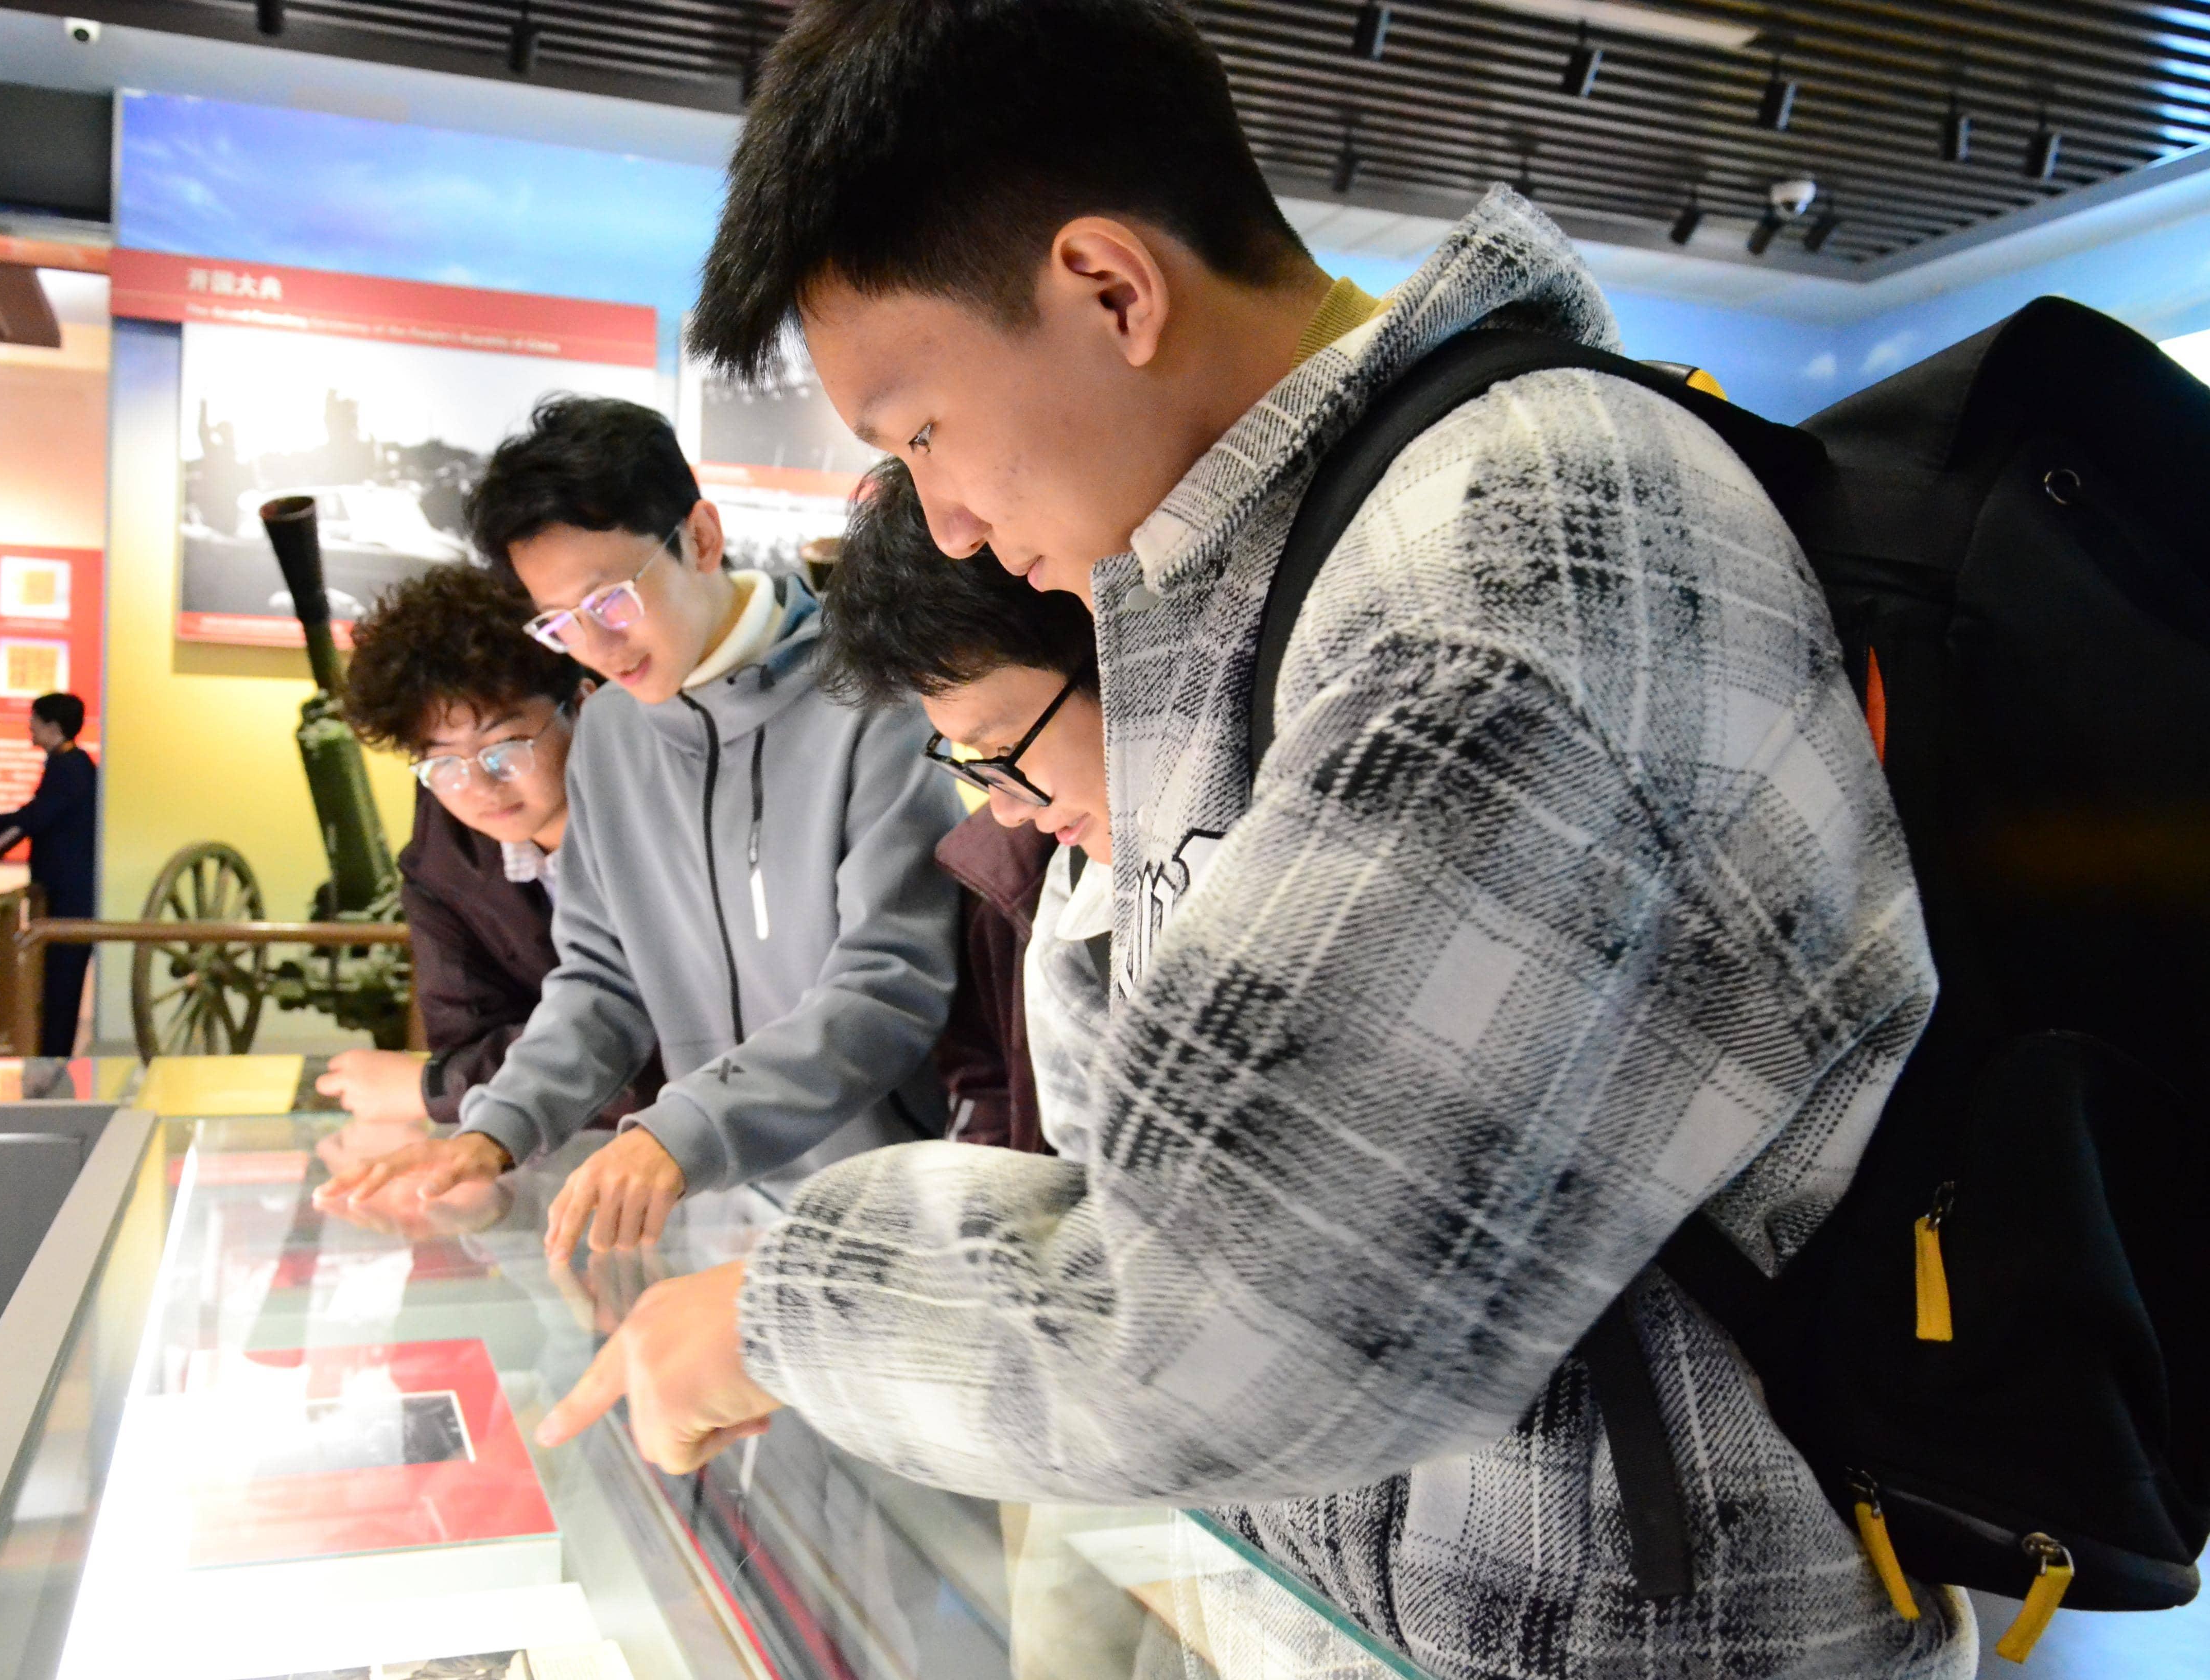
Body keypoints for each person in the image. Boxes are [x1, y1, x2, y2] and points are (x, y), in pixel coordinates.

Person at [540, 6, 1955, 1680]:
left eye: (919, 433)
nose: (948, 524)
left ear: (1108, 289)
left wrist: (785, 1314)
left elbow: (1237, 1331)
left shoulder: (1508, 564)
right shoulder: (1278, 575)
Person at [316, 396, 966, 1260]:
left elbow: (888, 983)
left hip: (884, 1211)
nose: (596, 645)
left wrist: (686, 1128)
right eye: (559, 622)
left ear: (700, 537)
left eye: (610, 601)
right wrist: (498, 1127)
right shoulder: (611, 736)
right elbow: (600, 978)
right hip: (706, 1213)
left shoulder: (872, 697)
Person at [820, 459, 1110, 1157]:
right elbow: (989, 1088)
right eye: (978, 763)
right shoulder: (1023, 888)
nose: (1007, 811)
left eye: (1007, 749)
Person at [320, 563, 659, 1128]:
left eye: (506, 747)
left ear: (583, 704)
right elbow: (465, 1039)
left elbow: (680, 1050)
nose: (479, 785)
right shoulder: (444, 852)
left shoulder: (666, 823)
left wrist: (434, 1091)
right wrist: (467, 1082)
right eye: (443, 762)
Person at [0, 692, 97, 1058]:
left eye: (35, 720)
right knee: (54, 984)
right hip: (65, 891)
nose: (30, 727)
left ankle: (52, 1061)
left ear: (53, 727)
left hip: (70, 895)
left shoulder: (70, 767)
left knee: (61, 985)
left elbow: (38, 817)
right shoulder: (71, 764)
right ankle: (50, 1057)